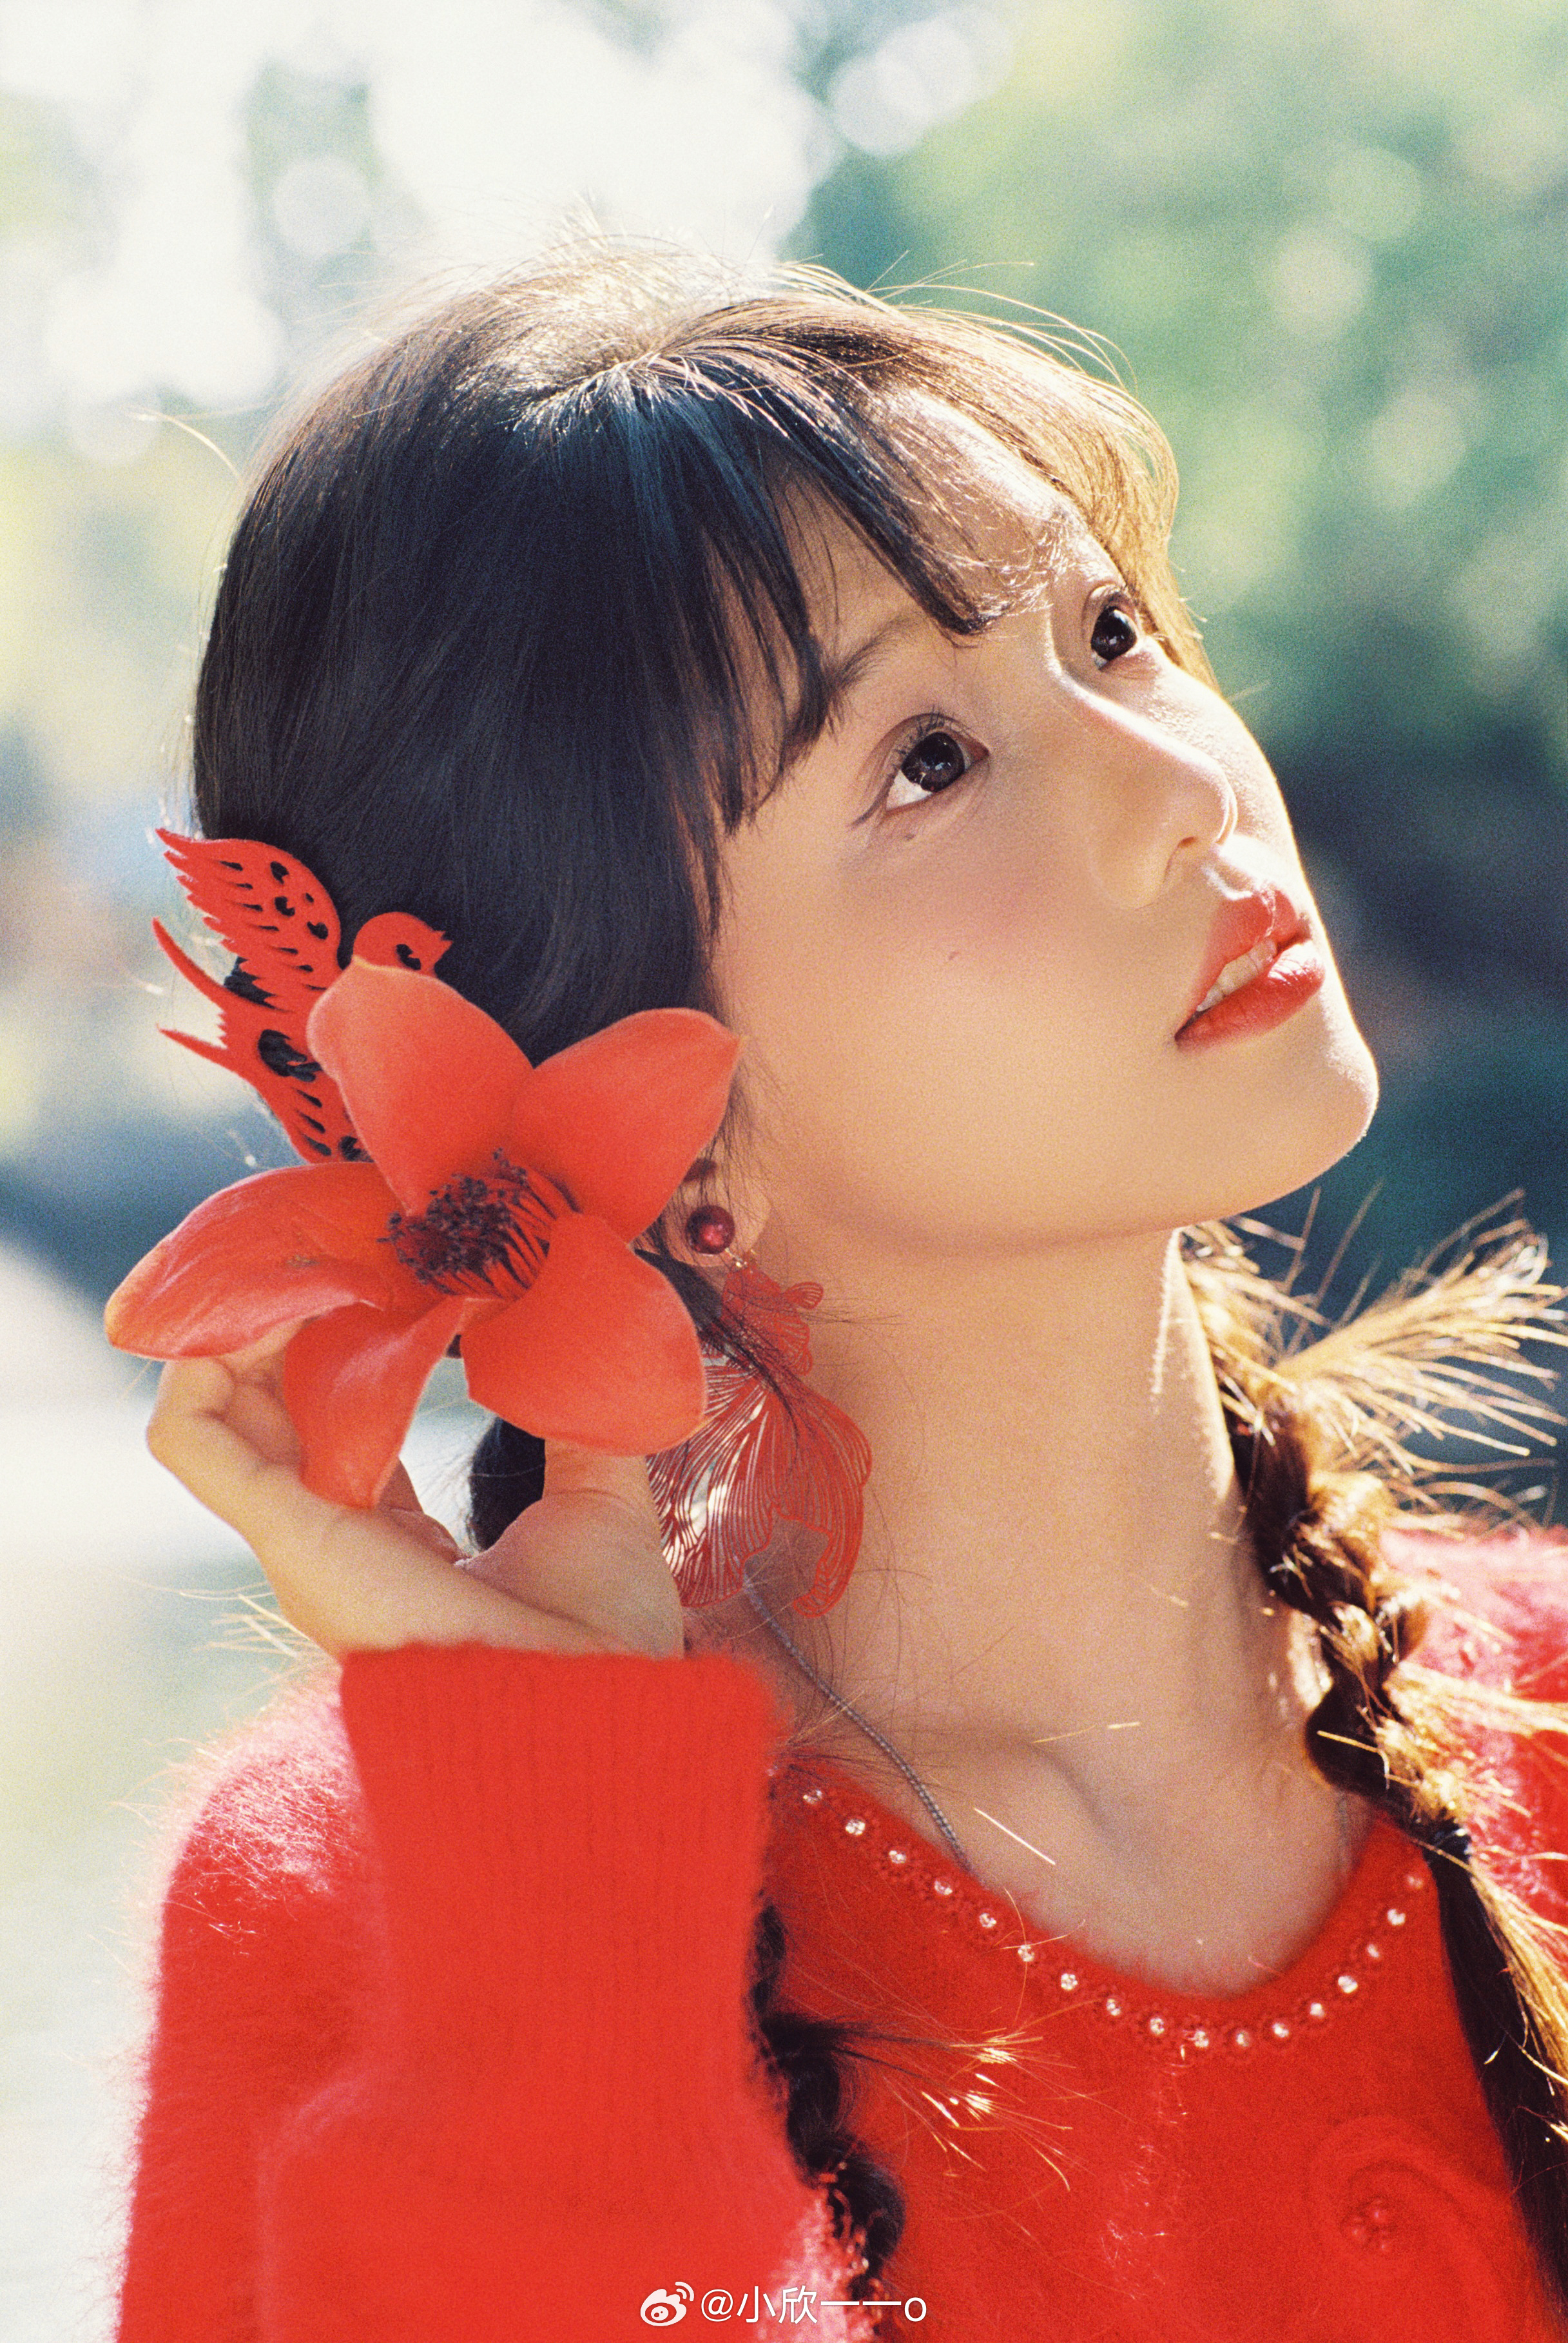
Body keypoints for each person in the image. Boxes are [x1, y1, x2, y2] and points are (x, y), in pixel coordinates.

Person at [110, 244, 1568, 2341]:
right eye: (927, 762)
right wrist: (556, 1854)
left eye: (1111, 631)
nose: (1185, 789)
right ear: (646, 1112)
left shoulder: (1542, 1708)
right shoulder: (387, 1902)